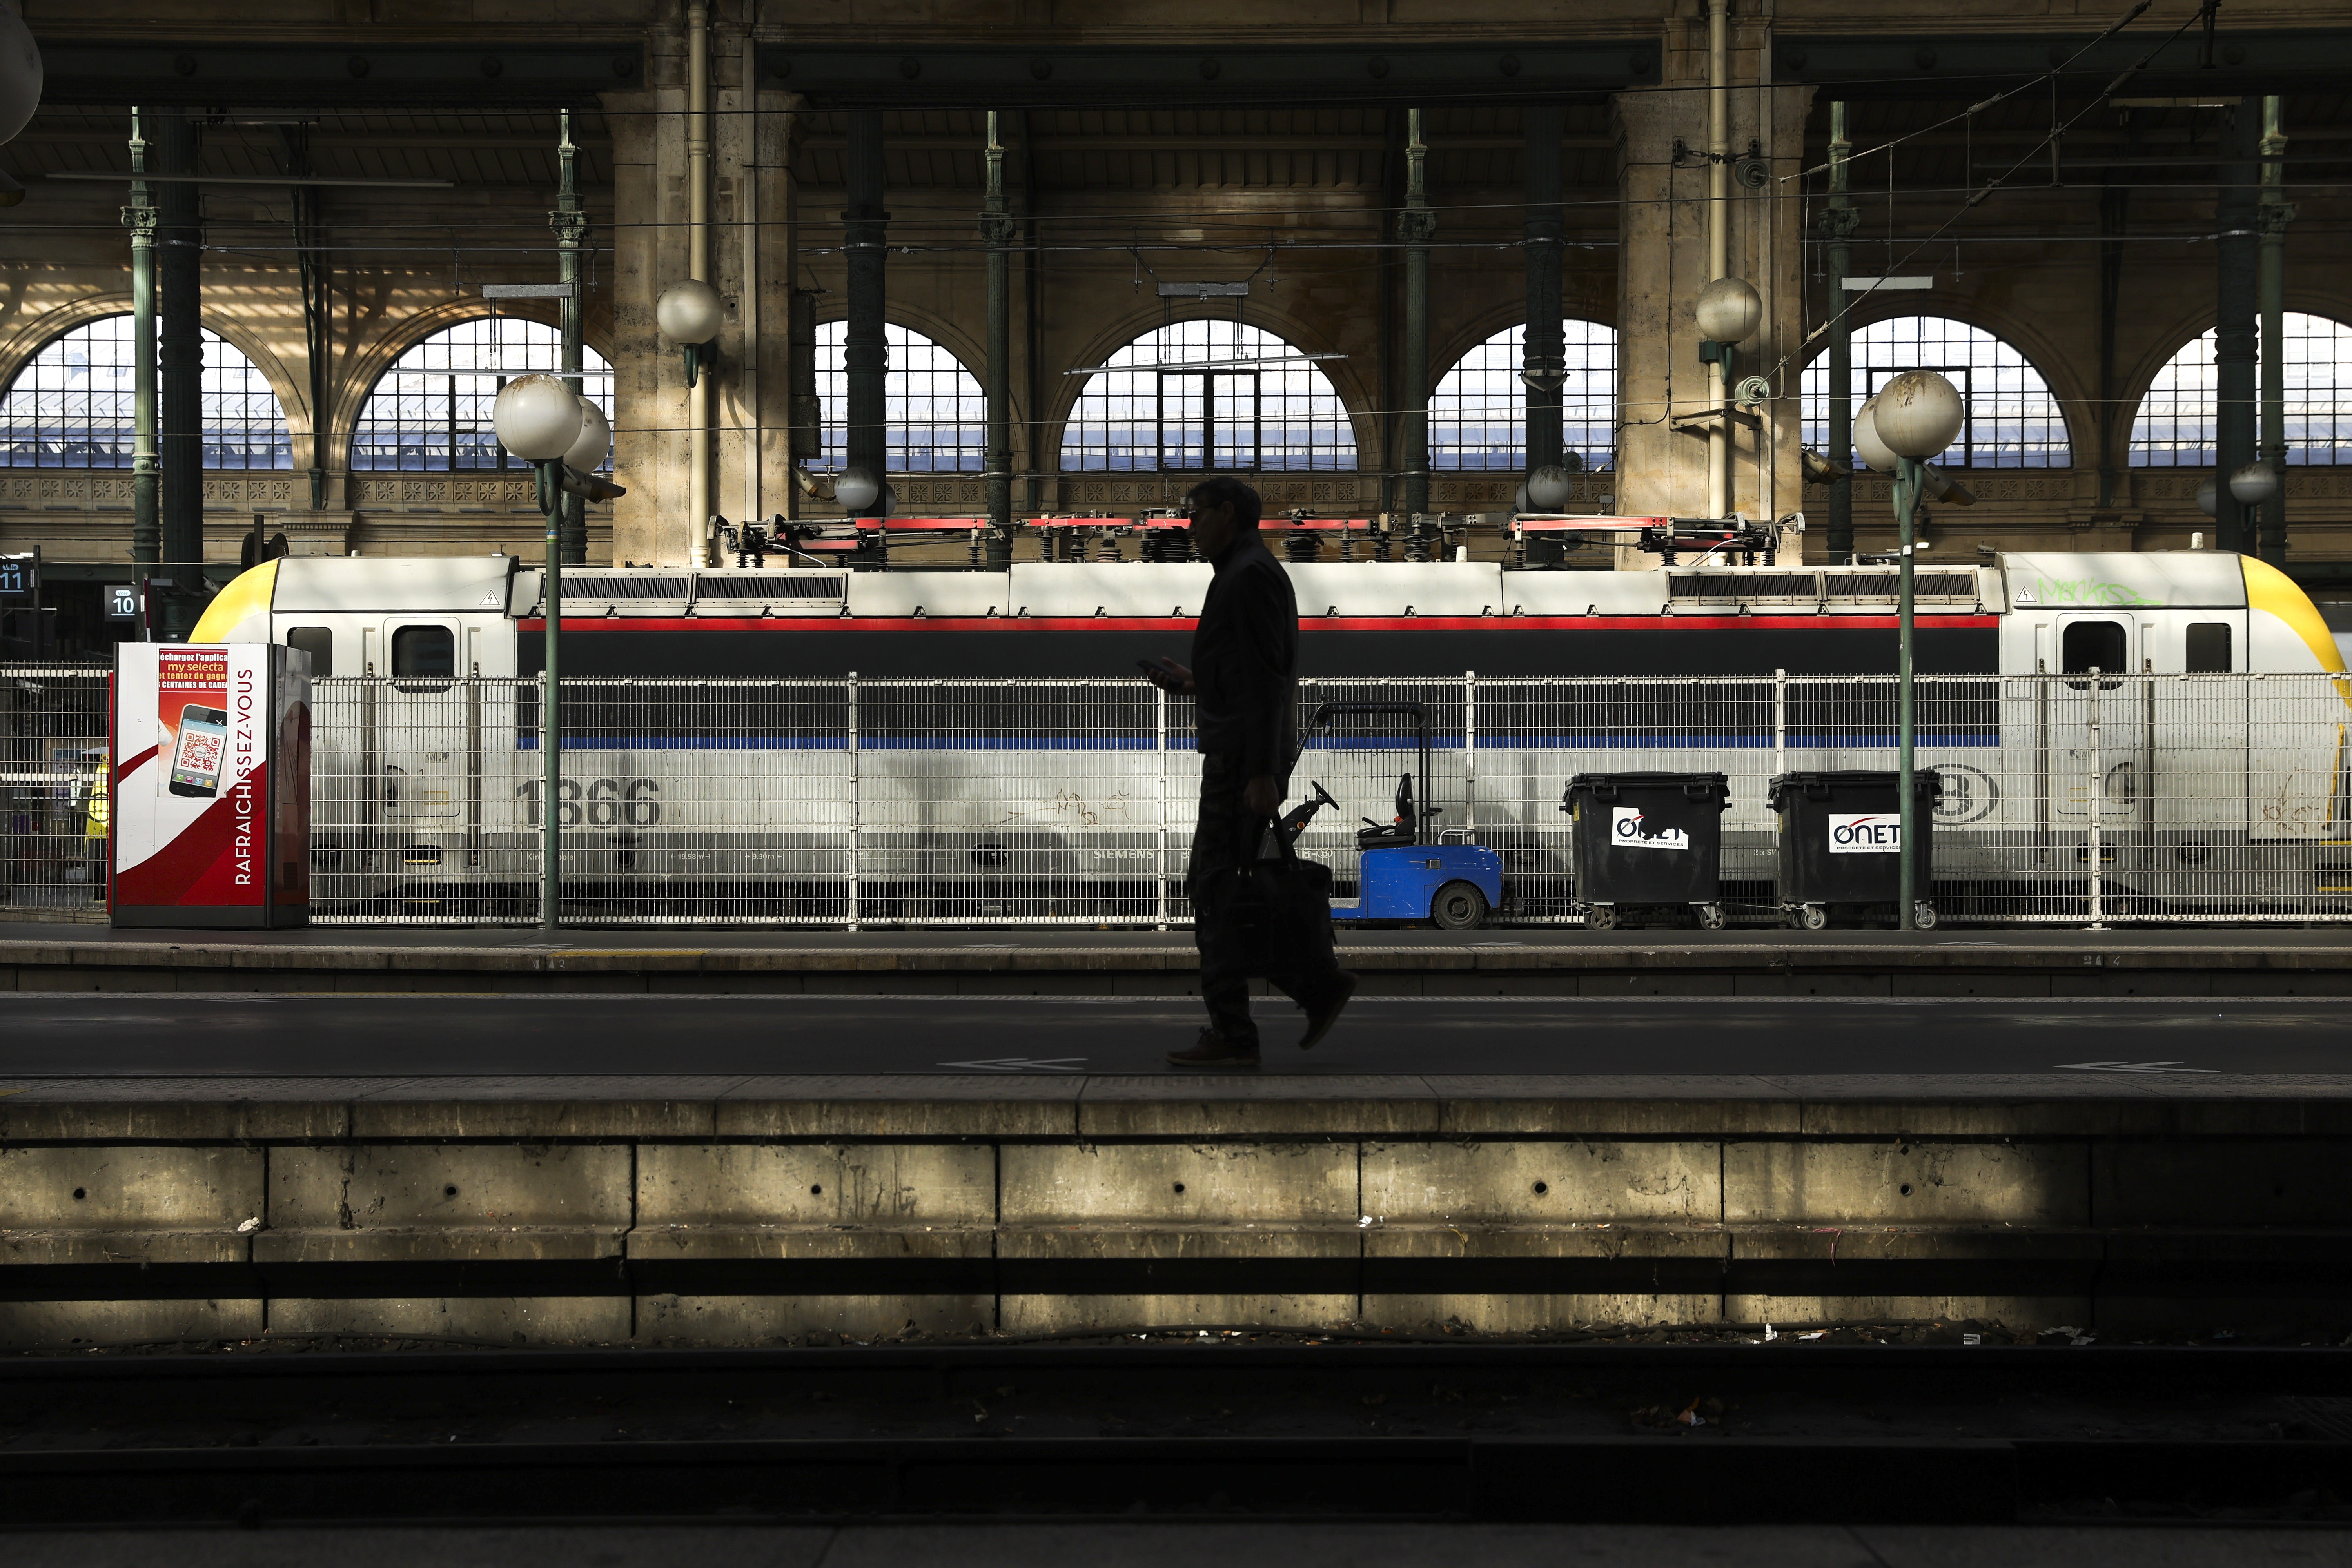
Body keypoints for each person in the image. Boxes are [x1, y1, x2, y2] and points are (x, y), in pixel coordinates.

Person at [1141, 475, 1355, 1069]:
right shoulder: (1246, 573)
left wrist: (1262, 770)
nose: (1189, 526)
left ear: (1226, 514)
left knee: (1212, 892)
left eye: (1196, 514)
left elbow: (1266, 682)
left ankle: (1238, 1031)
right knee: (1228, 891)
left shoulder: (1248, 577)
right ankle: (1310, 989)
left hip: (1240, 761)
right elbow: (1246, 676)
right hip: (1241, 754)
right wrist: (1194, 682)